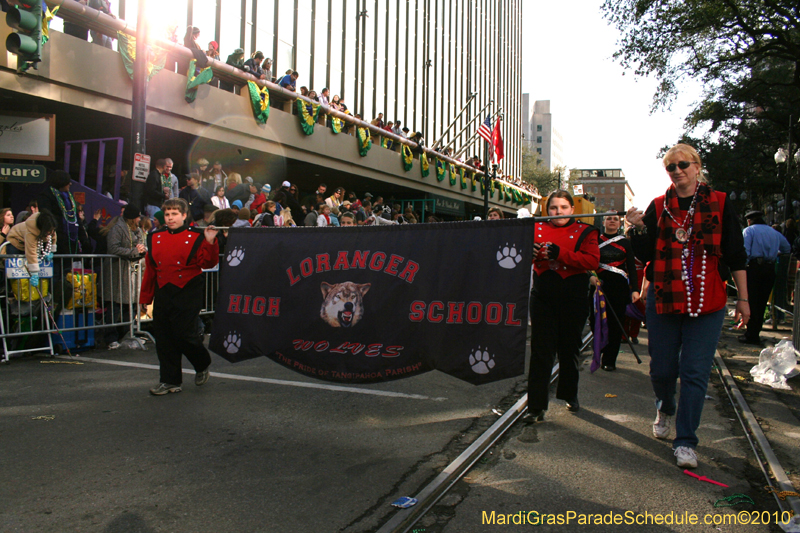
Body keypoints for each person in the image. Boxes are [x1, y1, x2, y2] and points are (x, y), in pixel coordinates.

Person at [626, 143, 749, 469]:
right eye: (671, 167)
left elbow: (736, 255)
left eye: (683, 165)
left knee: (695, 372)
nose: (678, 171)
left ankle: (686, 442)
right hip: (664, 297)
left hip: (708, 301)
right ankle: (665, 405)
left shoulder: (720, 204)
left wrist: (745, 300)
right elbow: (644, 253)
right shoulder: (657, 206)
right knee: (662, 368)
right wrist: (636, 228)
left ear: (696, 167)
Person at [527, 191, 599, 421]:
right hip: (543, 295)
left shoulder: (586, 231)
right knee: (541, 351)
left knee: (569, 349)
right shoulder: (535, 228)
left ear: (572, 208)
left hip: (573, 297)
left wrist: (562, 254)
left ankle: (570, 394)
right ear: (547, 210)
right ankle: (535, 406)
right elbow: (520, 258)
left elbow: (592, 261)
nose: (558, 212)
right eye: (553, 208)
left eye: (563, 207)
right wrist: (532, 253)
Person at [140, 198, 219, 396]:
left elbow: (207, 263)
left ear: (184, 215)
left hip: (188, 289)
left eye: (175, 214)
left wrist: (210, 241)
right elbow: (151, 270)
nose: (170, 218)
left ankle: (202, 363)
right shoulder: (154, 236)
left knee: (184, 334)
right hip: (163, 289)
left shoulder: (197, 235)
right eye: (167, 214)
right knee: (164, 337)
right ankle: (169, 381)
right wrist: (145, 298)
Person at [589, 214, 640, 371]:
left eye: (615, 219)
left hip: (619, 287)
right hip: (598, 285)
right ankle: (601, 348)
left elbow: (631, 266)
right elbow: (588, 262)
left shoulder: (625, 242)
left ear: (619, 223)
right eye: (609, 218)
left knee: (616, 323)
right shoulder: (595, 241)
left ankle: (610, 359)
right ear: (603, 222)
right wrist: (590, 275)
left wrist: (635, 289)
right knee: (594, 320)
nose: (612, 221)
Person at [739, 210, 790, 345]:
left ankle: (751, 334)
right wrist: (774, 254)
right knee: (762, 302)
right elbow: (786, 248)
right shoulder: (774, 232)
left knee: (751, 301)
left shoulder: (749, 231)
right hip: (769, 269)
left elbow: (745, 252)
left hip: (754, 269)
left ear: (749, 220)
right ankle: (756, 331)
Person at [102, 204, 146, 344]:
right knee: (115, 306)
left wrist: (142, 249)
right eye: (138, 217)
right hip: (118, 273)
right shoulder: (117, 229)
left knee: (131, 305)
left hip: (131, 273)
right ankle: (111, 338)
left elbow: (141, 245)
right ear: (133, 218)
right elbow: (113, 248)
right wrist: (133, 252)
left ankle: (127, 334)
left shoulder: (137, 230)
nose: (140, 219)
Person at [4, 210, 58, 289]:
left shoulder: (49, 226)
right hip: (15, 241)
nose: (50, 232)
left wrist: (51, 251)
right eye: (48, 231)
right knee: (15, 270)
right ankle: (13, 291)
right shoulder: (30, 232)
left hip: (28, 242)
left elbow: (53, 237)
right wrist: (35, 274)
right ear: (43, 228)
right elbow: (31, 252)